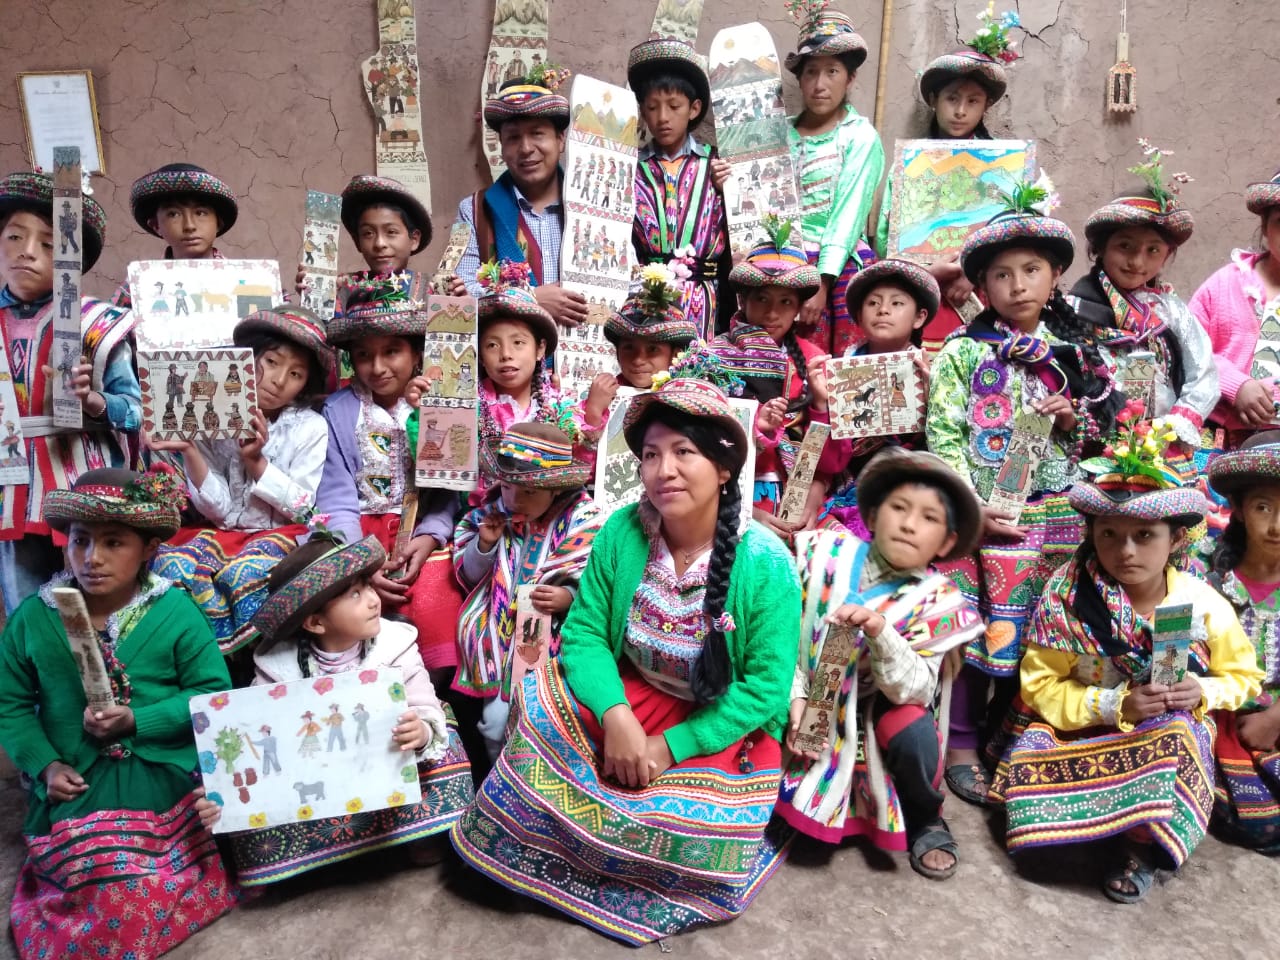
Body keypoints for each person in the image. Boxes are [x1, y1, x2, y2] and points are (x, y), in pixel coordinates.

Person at [451, 378, 801, 945]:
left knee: (685, 819)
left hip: (714, 724)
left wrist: (668, 748)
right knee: (535, 714)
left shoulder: (766, 563)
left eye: (685, 452)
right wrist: (616, 717)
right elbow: (585, 635)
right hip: (632, 694)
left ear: (724, 469)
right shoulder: (621, 531)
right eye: (651, 454)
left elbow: (764, 688)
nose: (664, 469)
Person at [987, 422, 1261, 902]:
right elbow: (1039, 687)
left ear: (1175, 540)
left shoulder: (1200, 601)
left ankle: (1136, 846)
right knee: (1033, 749)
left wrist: (1206, 692)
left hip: (1157, 729)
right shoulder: (1067, 598)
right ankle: (1080, 825)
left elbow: (1244, 677)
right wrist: (1115, 705)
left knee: (1182, 733)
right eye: (1109, 533)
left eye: (1144, 535)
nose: (1125, 550)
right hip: (1076, 723)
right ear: (1091, 533)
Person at [926, 184, 1122, 804]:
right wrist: (969, 508)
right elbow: (945, 432)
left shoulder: (1083, 353)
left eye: (1032, 270)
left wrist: (1073, 423)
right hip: (982, 516)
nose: (1017, 285)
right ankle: (958, 739)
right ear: (981, 288)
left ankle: (1014, 735)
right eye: (1001, 275)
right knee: (970, 624)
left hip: (1057, 514)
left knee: (1046, 627)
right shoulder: (962, 352)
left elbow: (1108, 437)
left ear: (1057, 273)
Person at [0, 467, 237, 959]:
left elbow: (212, 695)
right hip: (76, 781)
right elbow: (11, 703)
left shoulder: (174, 612)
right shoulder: (34, 617)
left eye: (114, 543)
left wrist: (137, 721)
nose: (93, 558)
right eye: (81, 541)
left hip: (160, 777)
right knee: (91, 878)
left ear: (149, 548)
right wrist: (45, 764)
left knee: (141, 886)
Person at [195, 533, 473, 883]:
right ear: (314, 622)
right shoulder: (276, 669)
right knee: (252, 794)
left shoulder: (395, 645)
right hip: (320, 773)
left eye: (367, 587)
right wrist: (224, 785)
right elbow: (255, 733)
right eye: (355, 594)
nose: (373, 600)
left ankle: (416, 834)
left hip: (386, 763)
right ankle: (312, 855)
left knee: (446, 738)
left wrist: (420, 731)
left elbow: (423, 703)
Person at [780, 449, 984, 878]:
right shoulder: (821, 551)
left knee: (911, 726)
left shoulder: (940, 601)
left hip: (874, 708)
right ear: (872, 517)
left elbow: (914, 690)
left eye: (930, 518)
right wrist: (795, 694)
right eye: (898, 508)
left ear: (947, 542)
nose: (909, 524)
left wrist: (880, 631)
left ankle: (925, 814)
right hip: (799, 690)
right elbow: (779, 630)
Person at [149, 307, 336, 660]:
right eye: (270, 361)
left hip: (278, 535)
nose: (279, 380)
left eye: (295, 374)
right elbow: (220, 509)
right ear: (246, 359)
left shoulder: (310, 427)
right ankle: (195, 664)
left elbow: (302, 505)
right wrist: (190, 448)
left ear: (304, 384)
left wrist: (256, 462)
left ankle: (254, 667)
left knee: (245, 575)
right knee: (172, 567)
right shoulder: (212, 413)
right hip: (219, 532)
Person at [0, 172, 141, 612]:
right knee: (28, 612)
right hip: (10, 495)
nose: (27, 251)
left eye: (48, 243)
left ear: (71, 261)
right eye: (15, 237)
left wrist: (94, 402)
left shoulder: (97, 325)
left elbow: (135, 412)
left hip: (84, 490)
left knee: (96, 609)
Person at [314, 270, 464, 670]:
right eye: (363, 355)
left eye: (391, 351)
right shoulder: (339, 412)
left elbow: (449, 488)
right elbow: (336, 494)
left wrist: (432, 536)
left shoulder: (441, 405)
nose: (377, 367)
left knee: (436, 598)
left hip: (420, 535)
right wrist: (359, 564)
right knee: (352, 609)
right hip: (358, 540)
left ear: (417, 353)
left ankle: (437, 707)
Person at [453, 422, 601, 761]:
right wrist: (484, 545)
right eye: (507, 487)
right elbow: (468, 574)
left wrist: (569, 599)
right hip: (500, 638)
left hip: (560, 643)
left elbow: (599, 585)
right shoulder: (490, 516)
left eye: (529, 492)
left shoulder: (584, 520)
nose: (515, 499)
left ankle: (536, 782)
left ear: (557, 489)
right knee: (494, 723)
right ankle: (495, 780)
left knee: (548, 720)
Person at [874, 7, 1018, 354]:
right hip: (922, 292)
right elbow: (885, 237)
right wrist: (925, 274)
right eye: (952, 98)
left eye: (973, 101)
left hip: (981, 290)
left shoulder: (1002, 168)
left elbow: (1011, 230)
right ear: (934, 100)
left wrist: (974, 273)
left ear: (985, 107)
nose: (960, 110)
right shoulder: (909, 165)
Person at [1068, 151, 1218, 463]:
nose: (1137, 262)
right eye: (1125, 246)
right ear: (1100, 248)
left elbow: (1202, 373)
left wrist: (1174, 425)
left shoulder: (1171, 312)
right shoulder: (1073, 311)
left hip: (1163, 448)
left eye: (1153, 250)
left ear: (1167, 254)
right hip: (1095, 451)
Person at [784, 3, 884, 356]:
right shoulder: (781, 135)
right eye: (811, 72)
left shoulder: (859, 136)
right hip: (783, 263)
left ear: (850, 78)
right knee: (783, 367)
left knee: (837, 373)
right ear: (799, 78)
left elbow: (848, 213)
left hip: (838, 272)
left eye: (832, 71)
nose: (820, 84)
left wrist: (822, 282)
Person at [811, 259, 940, 533]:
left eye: (897, 303)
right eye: (873, 303)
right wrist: (822, 405)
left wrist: (934, 402)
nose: (883, 310)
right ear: (858, 316)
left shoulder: (934, 372)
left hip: (909, 485)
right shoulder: (837, 371)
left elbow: (943, 447)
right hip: (851, 487)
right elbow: (830, 461)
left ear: (919, 317)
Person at [449, 75, 589, 329]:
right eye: (513, 137)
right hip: (506, 363)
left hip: (586, 362)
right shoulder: (473, 210)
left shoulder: (592, 207)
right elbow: (460, 293)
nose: (525, 148)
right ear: (501, 145)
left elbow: (627, 283)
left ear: (560, 140)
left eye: (537, 134)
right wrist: (529, 298)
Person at [723, 235, 832, 540]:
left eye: (785, 302)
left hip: (798, 493)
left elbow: (828, 446)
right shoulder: (713, 357)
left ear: (798, 306)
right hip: (730, 495)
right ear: (743, 300)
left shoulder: (813, 361)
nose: (772, 313)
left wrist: (815, 493)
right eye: (762, 299)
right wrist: (744, 511)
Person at [1204, 431, 1280, 851]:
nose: (1276, 527)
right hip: (1218, 711)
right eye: (1263, 507)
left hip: (1275, 714)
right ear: (1237, 510)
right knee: (1258, 822)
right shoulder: (1205, 574)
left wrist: (1275, 717)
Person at [464, 260, 591, 505]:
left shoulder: (558, 408)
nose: (506, 354)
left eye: (518, 343)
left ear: (540, 348)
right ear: (479, 354)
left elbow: (580, 467)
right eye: (492, 345)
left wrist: (593, 416)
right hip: (483, 518)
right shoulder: (469, 406)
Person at [627, 38, 730, 340]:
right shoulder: (632, 169)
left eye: (674, 106)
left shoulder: (715, 164)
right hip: (646, 297)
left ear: (694, 108)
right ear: (642, 111)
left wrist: (730, 191)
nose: (662, 117)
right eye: (652, 107)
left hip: (705, 299)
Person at [1190, 171, 1280, 445]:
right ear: (1265, 228)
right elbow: (1190, 347)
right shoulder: (1225, 284)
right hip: (1224, 440)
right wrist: (1234, 384)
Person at [113, 162, 238, 309]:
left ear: (219, 223)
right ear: (156, 226)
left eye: (201, 213)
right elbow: (116, 327)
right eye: (174, 214)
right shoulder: (140, 283)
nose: (189, 226)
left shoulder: (242, 278)